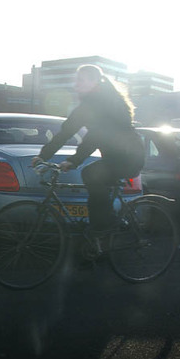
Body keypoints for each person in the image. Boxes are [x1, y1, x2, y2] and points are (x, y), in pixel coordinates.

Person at [32, 64, 145, 240]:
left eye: (81, 80)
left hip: (128, 156)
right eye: (76, 79)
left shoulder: (105, 103)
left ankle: (102, 227)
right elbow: (66, 131)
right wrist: (43, 155)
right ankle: (99, 240)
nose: (75, 84)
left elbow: (96, 136)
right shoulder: (91, 103)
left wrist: (74, 160)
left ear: (94, 82)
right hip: (119, 156)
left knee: (90, 173)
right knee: (96, 184)